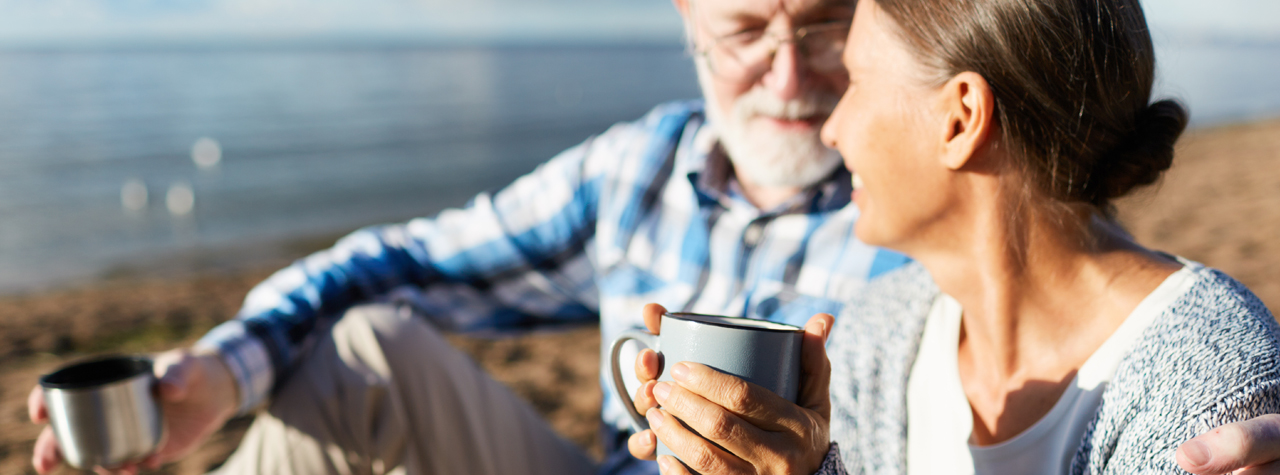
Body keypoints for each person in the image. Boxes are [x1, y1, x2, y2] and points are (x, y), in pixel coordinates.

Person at [25, 0, 1280, 474]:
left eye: (836, 42)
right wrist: (210, 378)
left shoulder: (1172, 368)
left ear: (959, 116)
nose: (805, 88)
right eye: (746, 31)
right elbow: (401, 258)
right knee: (357, 343)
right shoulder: (895, 324)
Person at [624, 0, 1280, 473]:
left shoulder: (1206, 380)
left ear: (960, 117)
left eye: (854, 81)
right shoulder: (884, 329)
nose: (832, 129)